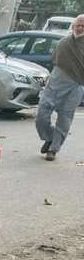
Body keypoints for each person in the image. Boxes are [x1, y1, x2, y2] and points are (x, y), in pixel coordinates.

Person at [36, 14, 84, 161]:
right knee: (41, 116)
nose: (80, 28)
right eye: (78, 25)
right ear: (73, 26)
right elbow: (55, 61)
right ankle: (49, 137)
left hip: (75, 87)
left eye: (83, 26)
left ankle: (53, 149)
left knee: (64, 119)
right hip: (55, 82)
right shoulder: (63, 42)